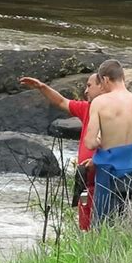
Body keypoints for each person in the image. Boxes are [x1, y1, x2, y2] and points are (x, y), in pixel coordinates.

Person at [19, 74, 103, 231]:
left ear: (102, 86)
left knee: (101, 226)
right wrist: (41, 87)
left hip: (102, 180)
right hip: (84, 179)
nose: (86, 90)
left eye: (89, 86)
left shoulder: (111, 113)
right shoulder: (87, 108)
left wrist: (97, 160)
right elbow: (61, 101)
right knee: (85, 227)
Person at [84, 59, 132, 225]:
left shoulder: (100, 103)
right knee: (127, 223)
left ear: (105, 79)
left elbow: (90, 143)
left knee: (102, 226)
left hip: (108, 172)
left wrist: (101, 139)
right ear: (122, 77)